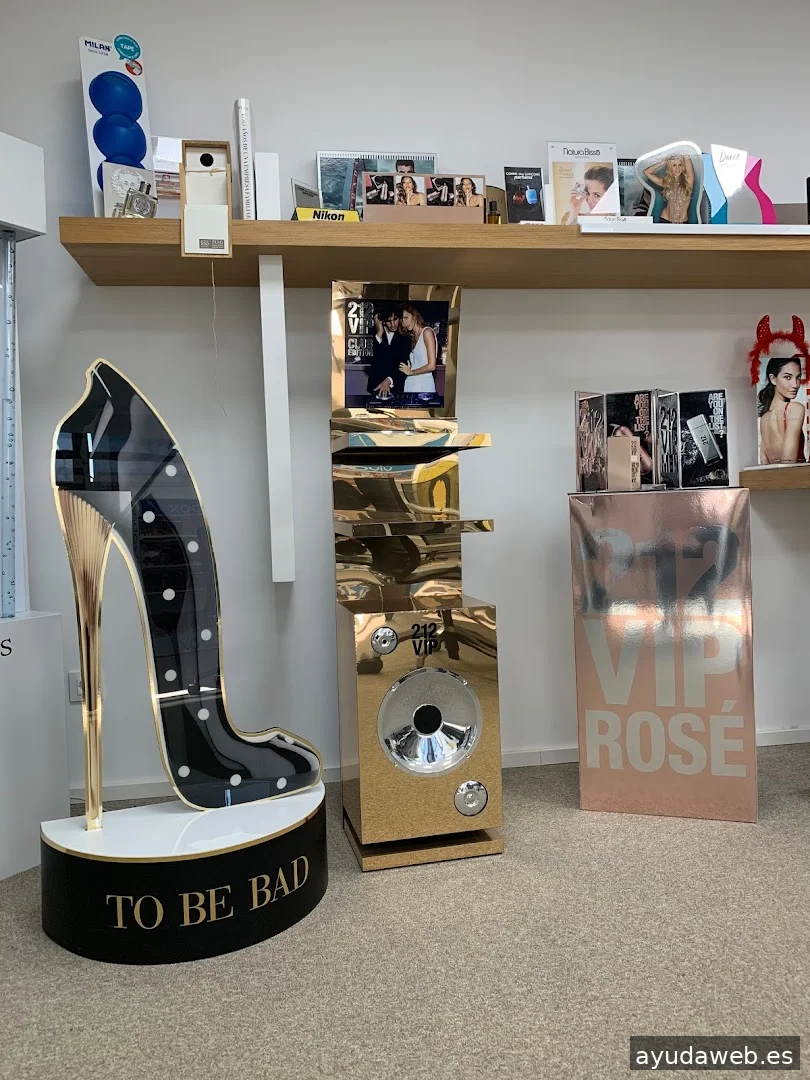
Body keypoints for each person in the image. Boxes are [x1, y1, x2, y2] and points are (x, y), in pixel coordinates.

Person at [757, 356, 806, 463]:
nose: (795, 384)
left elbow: (764, 462)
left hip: (772, 474)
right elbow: (788, 462)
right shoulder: (795, 409)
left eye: (798, 377)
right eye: (788, 377)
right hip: (795, 474)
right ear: (773, 379)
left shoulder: (764, 417)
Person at [367, 308, 410, 400]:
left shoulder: (405, 336)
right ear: (382, 321)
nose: (393, 324)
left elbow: (404, 364)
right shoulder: (375, 334)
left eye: (395, 319)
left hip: (396, 387)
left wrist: (389, 380)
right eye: (389, 321)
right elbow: (368, 359)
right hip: (376, 387)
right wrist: (379, 333)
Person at [642, 153, 695, 223]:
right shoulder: (666, 183)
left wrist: (680, 151)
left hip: (682, 222)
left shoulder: (688, 182)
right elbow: (646, 172)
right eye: (674, 165)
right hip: (665, 219)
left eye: (680, 165)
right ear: (670, 167)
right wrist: (662, 163)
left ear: (683, 167)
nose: (677, 168)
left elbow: (686, 155)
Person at [398, 304, 437, 395]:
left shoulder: (427, 332)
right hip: (411, 383)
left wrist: (411, 372)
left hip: (424, 385)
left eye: (406, 317)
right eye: (402, 320)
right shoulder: (413, 338)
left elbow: (432, 366)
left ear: (414, 316)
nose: (404, 323)